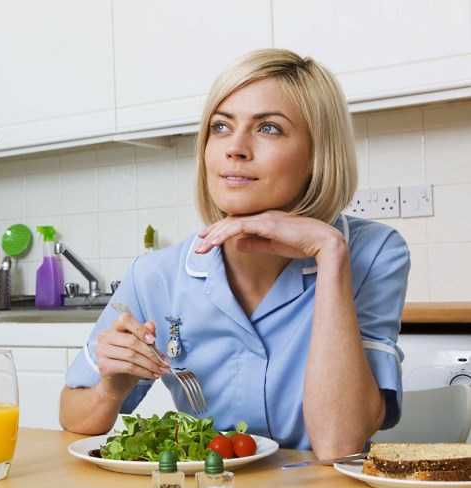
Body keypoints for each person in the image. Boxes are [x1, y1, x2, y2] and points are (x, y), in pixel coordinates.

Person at [59, 48, 410, 459]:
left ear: (318, 155)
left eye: (269, 128)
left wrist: (329, 251)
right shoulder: (156, 274)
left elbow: (339, 444)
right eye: (221, 127)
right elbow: (72, 414)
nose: (235, 148)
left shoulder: (374, 253)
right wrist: (111, 388)